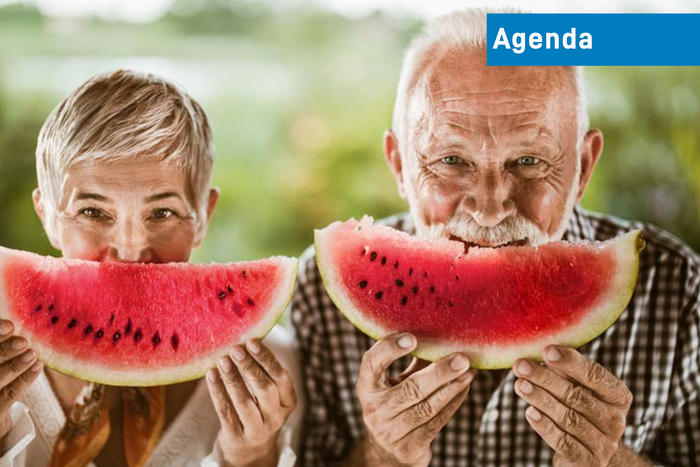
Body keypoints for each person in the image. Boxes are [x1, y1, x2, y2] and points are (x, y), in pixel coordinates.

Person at [291, 8, 700, 467]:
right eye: (451, 161)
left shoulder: (678, 291)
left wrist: (616, 463)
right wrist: (378, 457)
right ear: (400, 166)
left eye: (527, 162)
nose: (488, 211)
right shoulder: (320, 294)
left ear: (583, 167)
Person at [0, 69, 302, 467]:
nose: (129, 248)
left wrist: (249, 457)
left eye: (162, 212)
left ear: (204, 216)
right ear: (48, 216)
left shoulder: (272, 371)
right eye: (92, 211)